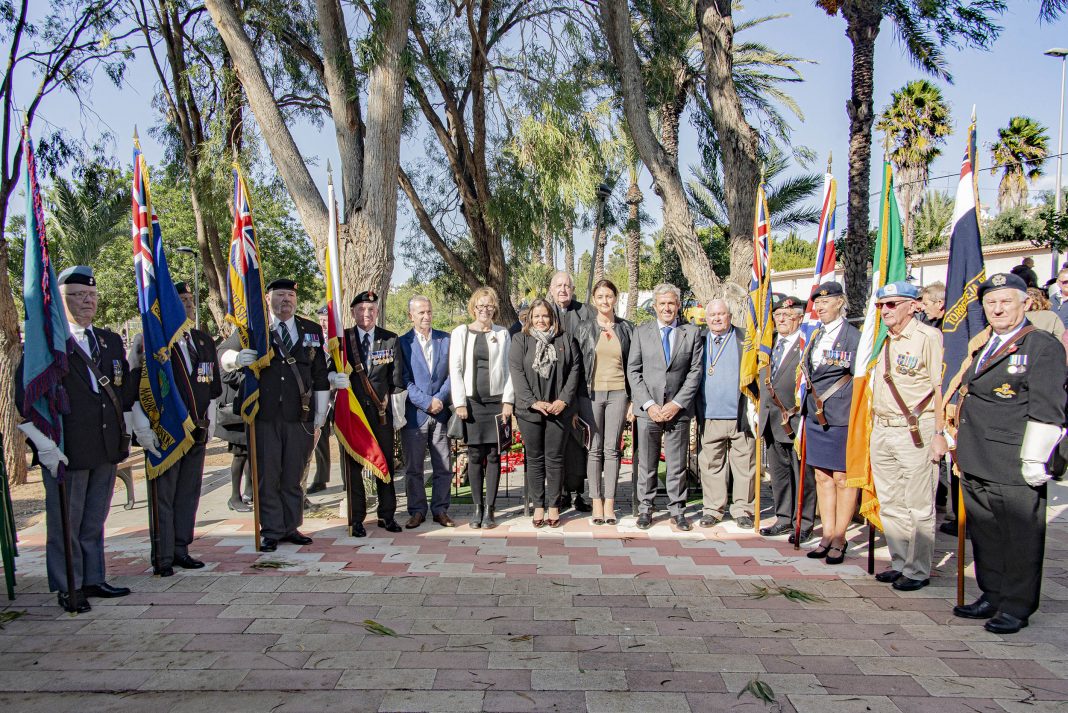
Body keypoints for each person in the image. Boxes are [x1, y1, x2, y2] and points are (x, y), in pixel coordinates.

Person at [948, 272, 1066, 634]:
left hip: (1013, 459)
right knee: (985, 532)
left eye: (1005, 302)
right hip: (977, 455)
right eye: (991, 303)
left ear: (1025, 303)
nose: (998, 309)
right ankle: (992, 593)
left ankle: (1016, 606)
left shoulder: (1040, 345)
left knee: (1020, 536)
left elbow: (1049, 408)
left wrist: (1037, 458)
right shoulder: (986, 344)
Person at [15, 266, 136, 612]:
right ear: (60, 301)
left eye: (92, 296)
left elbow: (122, 389)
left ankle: (93, 577)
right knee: (66, 521)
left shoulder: (110, 340)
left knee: (94, 518)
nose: (87, 302)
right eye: (78, 296)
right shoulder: (48, 345)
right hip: (66, 448)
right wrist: (42, 443)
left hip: (104, 445)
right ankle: (69, 584)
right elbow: (23, 395)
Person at [220, 278, 330, 552]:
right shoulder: (254, 330)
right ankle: (270, 529)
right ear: (268, 298)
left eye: (291, 295)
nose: (286, 300)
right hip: (264, 415)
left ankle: (291, 526)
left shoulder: (311, 330)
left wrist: (320, 413)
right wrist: (237, 358)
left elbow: (318, 375)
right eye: (280, 294)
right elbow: (222, 352)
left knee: (294, 473)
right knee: (268, 475)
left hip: (299, 416)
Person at [128, 281, 221, 577]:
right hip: (165, 432)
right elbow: (135, 387)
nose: (186, 305)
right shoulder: (152, 340)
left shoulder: (202, 340)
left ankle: (182, 548)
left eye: (189, 301)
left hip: (197, 429)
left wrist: (210, 416)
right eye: (179, 300)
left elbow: (211, 385)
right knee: (164, 496)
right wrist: (141, 426)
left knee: (188, 493)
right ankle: (163, 555)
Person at [869, 281, 946, 591]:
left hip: (915, 429)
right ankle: (900, 561)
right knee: (891, 502)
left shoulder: (928, 337)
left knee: (918, 505)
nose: (884, 310)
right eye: (880, 306)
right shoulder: (884, 340)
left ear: (914, 305)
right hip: (883, 428)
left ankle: (918, 569)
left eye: (891, 304)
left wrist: (941, 433)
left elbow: (941, 388)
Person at [627, 283, 704, 531]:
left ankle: (678, 510)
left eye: (671, 303)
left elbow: (695, 372)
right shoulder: (641, 332)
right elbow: (633, 371)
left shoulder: (691, 333)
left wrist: (677, 403)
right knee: (647, 464)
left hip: (677, 411)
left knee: (676, 464)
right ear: (655, 307)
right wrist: (649, 405)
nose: (667, 308)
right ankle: (646, 509)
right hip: (648, 411)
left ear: (678, 305)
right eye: (662, 304)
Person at [800, 281, 861, 565]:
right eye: (817, 303)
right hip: (816, 413)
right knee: (822, 477)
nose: (820, 307)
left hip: (841, 414)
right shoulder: (816, 335)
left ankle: (840, 537)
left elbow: (860, 378)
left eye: (826, 301)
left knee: (842, 478)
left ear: (840, 302)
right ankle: (826, 534)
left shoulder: (853, 337)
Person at [510, 299, 582, 527]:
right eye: (537, 316)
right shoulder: (520, 340)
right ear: (530, 318)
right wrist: (533, 402)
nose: (541, 321)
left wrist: (563, 400)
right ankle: (538, 506)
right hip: (530, 411)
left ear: (553, 318)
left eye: (545, 316)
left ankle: (554, 507)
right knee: (534, 459)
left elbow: (575, 370)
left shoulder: (565, 339)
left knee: (555, 459)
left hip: (558, 410)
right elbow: (517, 372)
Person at [450, 286, 514, 528]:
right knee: (475, 455)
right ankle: (477, 508)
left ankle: (490, 508)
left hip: (495, 403)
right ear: (473, 307)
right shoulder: (460, 333)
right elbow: (454, 369)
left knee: (494, 456)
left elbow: (509, 370)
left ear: (494, 308)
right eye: (480, 306)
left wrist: (508, 401)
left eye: (489, 306)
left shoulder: (502, 333)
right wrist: (460, 403)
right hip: (472, 403)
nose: (484, 310)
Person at [573, 279, 634, 525]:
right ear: (594, 300)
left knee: (612, 449)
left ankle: (610, 503)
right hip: (591, 395)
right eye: (600, 297)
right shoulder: (584, 328)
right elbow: (577, 368)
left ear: (615, 298)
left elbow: (634, 365)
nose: (605, 301)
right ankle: (595, 501)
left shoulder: (627, 328)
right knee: (594, 449)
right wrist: (576, 404)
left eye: (609, 296)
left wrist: (633, 400)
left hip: (619, 393)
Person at [342, 290, 402, 535]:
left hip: (381, 413)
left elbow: (396, 378)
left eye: (371, 310)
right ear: (353, 312)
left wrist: (396, 412)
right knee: (354, 466)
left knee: (385, 463)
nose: (366, 314)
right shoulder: (343, 339)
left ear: (377, 312)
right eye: (361, 310)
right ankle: (356, 518)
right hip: (353, 414)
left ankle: (386, 515)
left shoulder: (390, 339)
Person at [758, 295, 815, 543]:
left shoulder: (807, 345)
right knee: (779, 473)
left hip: (795, 420)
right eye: (778, 316)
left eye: (788, 316)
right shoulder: (767, 345)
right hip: (771, 419)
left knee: (801, 474)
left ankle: (802, 522)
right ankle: (783, 518)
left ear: (800, 318)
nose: (782, 320)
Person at [696, 299, 756, 530]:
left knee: (744, 465)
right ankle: (713, 509)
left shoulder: (745, 338)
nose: (717, 319)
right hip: (710, 415)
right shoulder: (699, 339)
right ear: (706, 318)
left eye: (722, 314)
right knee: (711, 465)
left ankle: (743, 509)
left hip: (740, 414)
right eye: (712, 315)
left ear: (730, 316)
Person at [397, 295, 455, 529]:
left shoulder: (446, 340)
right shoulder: (402, 343)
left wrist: (439, 399)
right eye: (421, 312)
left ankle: (440, 510)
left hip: (440, 414)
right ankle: (417, 511)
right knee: (414, 468)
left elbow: (454, 373)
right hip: (415, 415)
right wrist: (426, 402)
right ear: (411, 315)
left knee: (443, 466)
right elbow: (403, 380)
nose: (426, 316)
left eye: (429, 311)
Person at [548, 270, 594, 513]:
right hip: (551, 393)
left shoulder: (585, 312)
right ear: (551, 289)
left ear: (573, 289)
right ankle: (560, 493)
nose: (563, 289)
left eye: (567, 285)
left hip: (581, 390)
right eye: (558, 285)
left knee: (579, 445)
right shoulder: (543, 312)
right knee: (559, 447)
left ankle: (579, 493)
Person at [215, 368, 253, 512]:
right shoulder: (231, 345)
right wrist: (249, 376)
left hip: (247, 406)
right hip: (235, 410)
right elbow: (224, 374)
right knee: (240, 455)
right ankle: (234, 497)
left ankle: (249, 492)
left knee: (250, 452)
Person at [306, 306, 334, 495]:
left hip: (338, 396)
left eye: (326, 319)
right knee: (320, 439)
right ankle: (321, 478)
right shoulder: (312, 339)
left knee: (343, 439)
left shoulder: (338, 339)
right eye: (321, 319)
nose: (324, 322)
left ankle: (349, 480)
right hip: (319, 396)